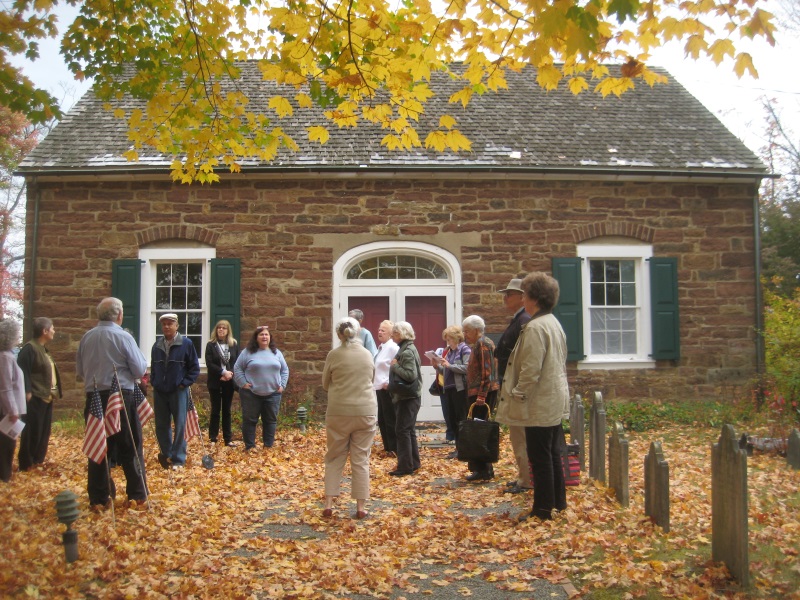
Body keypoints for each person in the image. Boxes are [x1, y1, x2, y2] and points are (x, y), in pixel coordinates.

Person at [498, 272, 570, 522]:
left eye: (525, 294)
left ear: (533, 297)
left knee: (540, 457)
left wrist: (518, 394)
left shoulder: (536, 327)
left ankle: (542, 510)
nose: (523, 298)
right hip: (551, 398)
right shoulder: (552, 322)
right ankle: (557, 502)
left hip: (539, 401)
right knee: (551, 453)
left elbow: (531, 369)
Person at [76, 297, 149, 507]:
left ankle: (99, 497)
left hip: (94, 396)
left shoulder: (86, 338)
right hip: (121, 397)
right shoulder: (124, 337)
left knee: (98, 445)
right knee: (131, 444)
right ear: (119, 315)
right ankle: (137, 494)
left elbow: (81, 371)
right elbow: (139, 369)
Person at [322, 317, 377, 519]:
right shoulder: (367, 354)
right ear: (358, 332)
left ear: (339, 334)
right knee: (361, 459)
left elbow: (325, 383)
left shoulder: (333, 355)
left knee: (334, 456)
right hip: (365, 410)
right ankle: (361, 507)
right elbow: (371, 378)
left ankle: (329, 502)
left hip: (338, 411)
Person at [493, 277, 533, 495]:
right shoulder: (518, 319)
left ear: (522, 297)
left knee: (521, 435)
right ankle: (522, 475)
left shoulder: (525, 320)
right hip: (510, 384)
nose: (505, 297)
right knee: (517, 435)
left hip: (516, 386)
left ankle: (526, 479)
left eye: (509, 293)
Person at [151, 313, 200, 470]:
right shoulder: (156, 345)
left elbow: (194, 368)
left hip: (178, 391)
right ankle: (167, 455)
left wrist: (183, 384)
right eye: (164, 324)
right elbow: (153, 368)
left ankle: (179, 458)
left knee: (180, 424)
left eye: (170, 323)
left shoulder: (186, 343)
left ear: (177, 326)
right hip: (160, 391)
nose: (166, 326)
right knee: (161, 425)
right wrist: (154, 382)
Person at [234, 324, 289, 450]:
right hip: (251, 393)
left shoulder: (277, 353)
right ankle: (250, 446)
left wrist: (282, 385)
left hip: (273, 393)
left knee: (270, 420)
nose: (264, 337)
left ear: (270, 337)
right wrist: (243, 383)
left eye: (266, 334)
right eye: (261, 334)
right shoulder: (247, 352)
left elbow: (285, 370)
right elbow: (237, 368)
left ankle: (268, 446)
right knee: (249, 420)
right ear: (256, 337)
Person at [16, 317, 62, 471]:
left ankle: (37, 460)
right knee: (32, 431)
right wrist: (27, 391)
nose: (54, 331)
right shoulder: (29, 349)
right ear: (44, 331)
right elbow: (23, 372)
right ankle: (27, 462)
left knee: (43, 431)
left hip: (46, 397)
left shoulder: (43, 349)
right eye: (52, 328)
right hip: (35, 397)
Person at [461, 315, 500, 482]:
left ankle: (483, 469)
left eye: (467, 331)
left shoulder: (483, 344)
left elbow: (487, 371)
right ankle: (481, 468)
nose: (465, 334)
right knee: (477, 429)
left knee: (479, 431)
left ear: (477, 330)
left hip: (482, 394)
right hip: (477, 392)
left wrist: (482, 395)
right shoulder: (479, 344)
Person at [388, 320, 422, 476]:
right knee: (409, 430)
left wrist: (395, 366)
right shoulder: (408, 348)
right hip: (410, 396)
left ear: (401, 334)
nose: (392, 335)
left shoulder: (407, 351)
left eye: (394, 332)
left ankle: (405, 466)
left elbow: (410, 375)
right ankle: (413, 462)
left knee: (402, 430)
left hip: (407, 397)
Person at [435, 325, 471, 459]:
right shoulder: (449, 351)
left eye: (449, 339)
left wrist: (449, 365)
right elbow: (446, 370)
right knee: (452, 418)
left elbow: (467, 368)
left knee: (460, 417)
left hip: (459, 388)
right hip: (448, 388)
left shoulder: (464, 349)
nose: (448, 342)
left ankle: (463, 449)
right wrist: (437, 366)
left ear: (456, 338)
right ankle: (457, 447)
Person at [205, 320, 239, 446]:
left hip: (229, 381)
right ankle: (213, 438)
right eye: (219, 328)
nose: (221, 330)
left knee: (227, 410)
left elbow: (236, 361)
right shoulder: (211, 345)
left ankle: (228, 439)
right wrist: (222, 373)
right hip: (215, 380)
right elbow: (209, 363)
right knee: (215, 410)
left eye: (224, 328)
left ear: (228, 330)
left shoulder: (233, 344)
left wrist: (229, 374)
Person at [0, 319, 25, 483]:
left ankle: (5, 474)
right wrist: (12, 410)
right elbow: (5, 386)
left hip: (10, 408)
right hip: (6, 410)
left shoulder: (9, 355)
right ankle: (4, 475)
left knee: (9, 444)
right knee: (6, 445)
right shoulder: (5, 358)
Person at [373, 319, 398, 456]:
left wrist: (390, 382)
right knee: (382, 419)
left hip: (387, 387)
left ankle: (393, 448)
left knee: (390, 419)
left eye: (383, 330)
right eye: (379, 329)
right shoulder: (381, 347)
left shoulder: (393, 347)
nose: (379, 332)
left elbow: (395, 366)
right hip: (378, 387)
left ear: (390, 334)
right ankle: (387, 446)